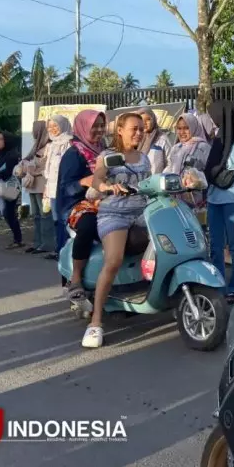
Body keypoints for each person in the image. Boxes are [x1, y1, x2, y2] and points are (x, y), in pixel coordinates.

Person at [82, 112, 151, 348]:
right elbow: (96, 180)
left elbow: (149, 184)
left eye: (142, 129)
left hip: (142, 213)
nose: (139, 133)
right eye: (134, 128)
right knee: (113, 260)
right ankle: (96, 321)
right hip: (115, 214)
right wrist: (108, 187)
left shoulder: (144, 159)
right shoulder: (108, 156)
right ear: (120, 130)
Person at [57, 110, 106, 308]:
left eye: (102, 125)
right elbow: (66, 187)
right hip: (76, 204)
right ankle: (76, 279)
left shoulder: (103, 149)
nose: (99, 130)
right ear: (84, 127)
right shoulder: (74, 153)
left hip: (102, 200)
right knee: (88, 225)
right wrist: (87, 181)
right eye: (94, 126)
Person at [204, 100, 234, 296]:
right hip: (214, 199)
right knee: (215, 246)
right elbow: (210, 168)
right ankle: (218, 283)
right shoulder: (218, 138)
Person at [167, 113, 212, 209]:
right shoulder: (176, 148)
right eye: (179, 128)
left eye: (186, 128)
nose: (182, 132)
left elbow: (209, 173)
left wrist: (194, 178)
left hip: (197, 201)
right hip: (175, 199)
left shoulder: (203, 147)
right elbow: (170, 169)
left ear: (193, 127)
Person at [44, 115, 74, 261]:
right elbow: (48, 169)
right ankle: (58, 248)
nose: (53, 129)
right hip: (52, 188)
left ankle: (65, 250)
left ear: (63, 125)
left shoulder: (69, 143)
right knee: (56, 220)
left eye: (55, 126)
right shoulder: (52, 144)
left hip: (64, 189)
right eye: (50, 127)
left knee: (65, 220)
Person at [21, 121, 51, 254]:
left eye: (35, 130)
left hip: (41, 185)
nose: (33, 132)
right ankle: (37, 242)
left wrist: (36, 171)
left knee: (45, 215)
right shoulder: (36, 146)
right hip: (32, 185)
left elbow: (49, 167)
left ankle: (47, 244)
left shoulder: (49, 147)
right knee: (36, 216)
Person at [138, 107, 169, 175]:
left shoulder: (162, 138)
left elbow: (170, 162)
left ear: (153, 120)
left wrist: (161, 177)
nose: (145, 123)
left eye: (148, 119)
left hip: (157, 182)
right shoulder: (137, 139)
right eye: (141, 120)